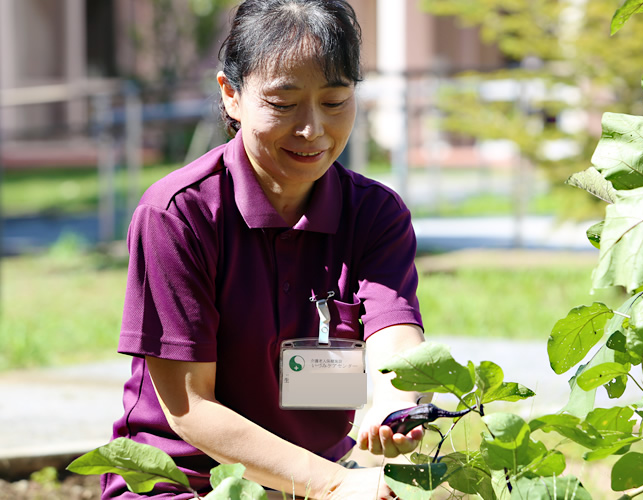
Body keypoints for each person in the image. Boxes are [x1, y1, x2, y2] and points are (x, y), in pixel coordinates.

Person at [101, 1, 426, 498]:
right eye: (283, 102)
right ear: (231, 94)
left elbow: (397, 343)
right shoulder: (176, 215)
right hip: (184, 483)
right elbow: (190, 407)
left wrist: (393, 409)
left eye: (335, 102)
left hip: (320, 478)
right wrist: (337, 484)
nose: (313, 129)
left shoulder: (376, 215)